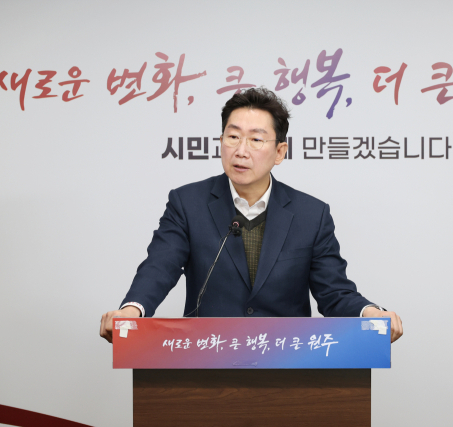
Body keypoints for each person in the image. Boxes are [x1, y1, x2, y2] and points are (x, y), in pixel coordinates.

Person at [100, 88, 403, 343]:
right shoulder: (187, 203)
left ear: (280, 152)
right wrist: (131, 311)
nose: (241, 150)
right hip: (207, 362)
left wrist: (371, 314)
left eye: (256, 140)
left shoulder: (311, 214)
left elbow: (334, 292)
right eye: (233, 137)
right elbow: (160, 267)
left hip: (288, 364)